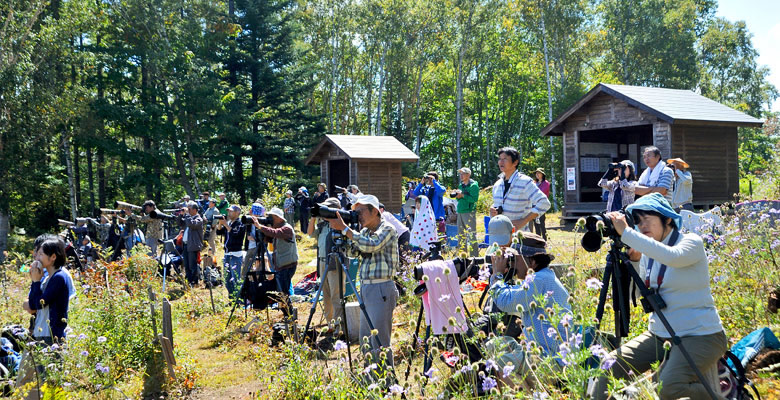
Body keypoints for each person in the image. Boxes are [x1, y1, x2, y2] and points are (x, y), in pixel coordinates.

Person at [590, 193, 726, 400]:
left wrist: (627, 232)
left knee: (666, 388)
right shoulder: (648, 253)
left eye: (647, 219)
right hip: (660, 334)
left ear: (667, 218)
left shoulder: (691, 242)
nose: (642, 225)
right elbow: (638, 295)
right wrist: (634, 262)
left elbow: (673, 257)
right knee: (610, 365)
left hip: (701, 335)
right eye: (637, 221)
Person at [326, 194, 399, 367]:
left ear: (374, 211)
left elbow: (371, 245)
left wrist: (346, 230)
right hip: (366, 288)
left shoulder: (387, 228)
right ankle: (370, 380)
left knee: (379, 340)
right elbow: (354, 253)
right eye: (355, 212)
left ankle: (387, 382)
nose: (358, 215)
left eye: (361, 211)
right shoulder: (365, 232)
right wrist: (342, 238)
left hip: (381, 287)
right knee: (366, 338)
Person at [490, 147, 551, 231]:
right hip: (499, 236)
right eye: (500, 159)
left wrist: (524, 221)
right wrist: (493, 210)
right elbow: (498, 205)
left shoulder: (524, 182)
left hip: (519, 237)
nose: (501, 162)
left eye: (505, 159)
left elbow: (544, 202)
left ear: (515, 162)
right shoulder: (497, 184)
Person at [307, 198, 345, 334]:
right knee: (326, 294)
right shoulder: (323, 225)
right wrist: (313, 217)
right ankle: (330, 325)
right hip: (323, 262)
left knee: (336, 294)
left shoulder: (340, 224)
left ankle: (339, 327)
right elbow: (310, 233)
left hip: (336, 262)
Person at [25, 237, 71, 344]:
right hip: (40, 333)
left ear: (53, 257)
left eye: (41, 254)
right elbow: (32, 305)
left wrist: (36, 282)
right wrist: (34, 280)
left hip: (52, 335)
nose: (37, 258)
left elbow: (40, 304)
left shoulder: (59, 277)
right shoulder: (46, 278)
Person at [254, 207, 299, 310]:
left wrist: (260, 226)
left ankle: (290, 315)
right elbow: (269, 238)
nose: (270, 219)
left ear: (279, 218)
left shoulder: (286, 228)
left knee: (283, 292)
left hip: (288, 265)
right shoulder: (278, 229)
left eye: (272, 217)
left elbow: (275, 233)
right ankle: (288, 314)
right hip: (281, 264)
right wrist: (263, 228)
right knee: (281, 292)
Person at [216, 205, 246, 299]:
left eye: (231, 211)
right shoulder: (229, 223)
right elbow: (219, 233)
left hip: (236, 254)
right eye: (229, 211)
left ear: (237, 212)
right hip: (227, 254)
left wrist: (225, 224)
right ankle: (232, 299)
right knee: (227, 279)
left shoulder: (240, 223)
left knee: (235, 279)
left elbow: (235, 234)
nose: (229, 213)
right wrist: (220, 223)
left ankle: (239, 300)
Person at [453, 167, 480, 256]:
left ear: (468, 175)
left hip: (469, 212)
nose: (461, 175)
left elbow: (474, 199)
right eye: (460, 174)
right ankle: (462, 255)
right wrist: (458, 196)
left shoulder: (473, 185)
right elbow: (460, 198)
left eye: (463, 174)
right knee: (461, 235)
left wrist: (463, 195)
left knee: (471, 235)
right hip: (460, 211)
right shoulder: (461, 185)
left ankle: (474, 256)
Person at [179, 201, 204, 287]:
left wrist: (187, 215)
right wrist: (181, 214)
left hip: (193, 245)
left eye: (189, 209)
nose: (188, 210)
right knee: (186, 265)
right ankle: (188, 281)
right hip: (186, 245)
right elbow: (180, 223)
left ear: (195, 210)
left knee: (192, 265)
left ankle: (194, 282)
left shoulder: (199, 219)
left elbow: (192, 224)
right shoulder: (188, 218)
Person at [241, 202, 265, 278]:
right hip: (250, 245)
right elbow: (246, 229)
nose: (256, 216)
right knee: (247, 262)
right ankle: (244, 278)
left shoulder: (263, 220)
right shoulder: (248, 219)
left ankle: (258, 278)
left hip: (260, 245)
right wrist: (248, 235)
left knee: (259, 262)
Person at [530, 168, 551, 240]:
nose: (537, 175)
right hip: (534, 205)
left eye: (539, 173)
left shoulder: (546, 183)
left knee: (542, 223)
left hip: (541, 205)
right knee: (536, 224)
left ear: (542, 174)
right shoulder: (534, 183)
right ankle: (538, 239)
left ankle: (545, 240)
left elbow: (542, 192)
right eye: (536, 173)